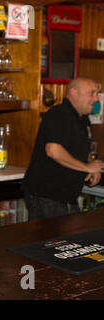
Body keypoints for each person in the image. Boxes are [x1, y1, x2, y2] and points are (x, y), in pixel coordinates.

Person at [22, 77, 104, 221]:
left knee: (71, 240)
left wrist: (93, 167)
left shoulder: (83, 118)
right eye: (91, 93)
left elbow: (79, 150)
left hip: (64, 195)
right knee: (53, 242)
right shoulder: (58, 114)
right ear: (73, 93)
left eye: (97, 94)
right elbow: (53, 150)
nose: (96, 99)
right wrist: (87, 167)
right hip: (47, 195)